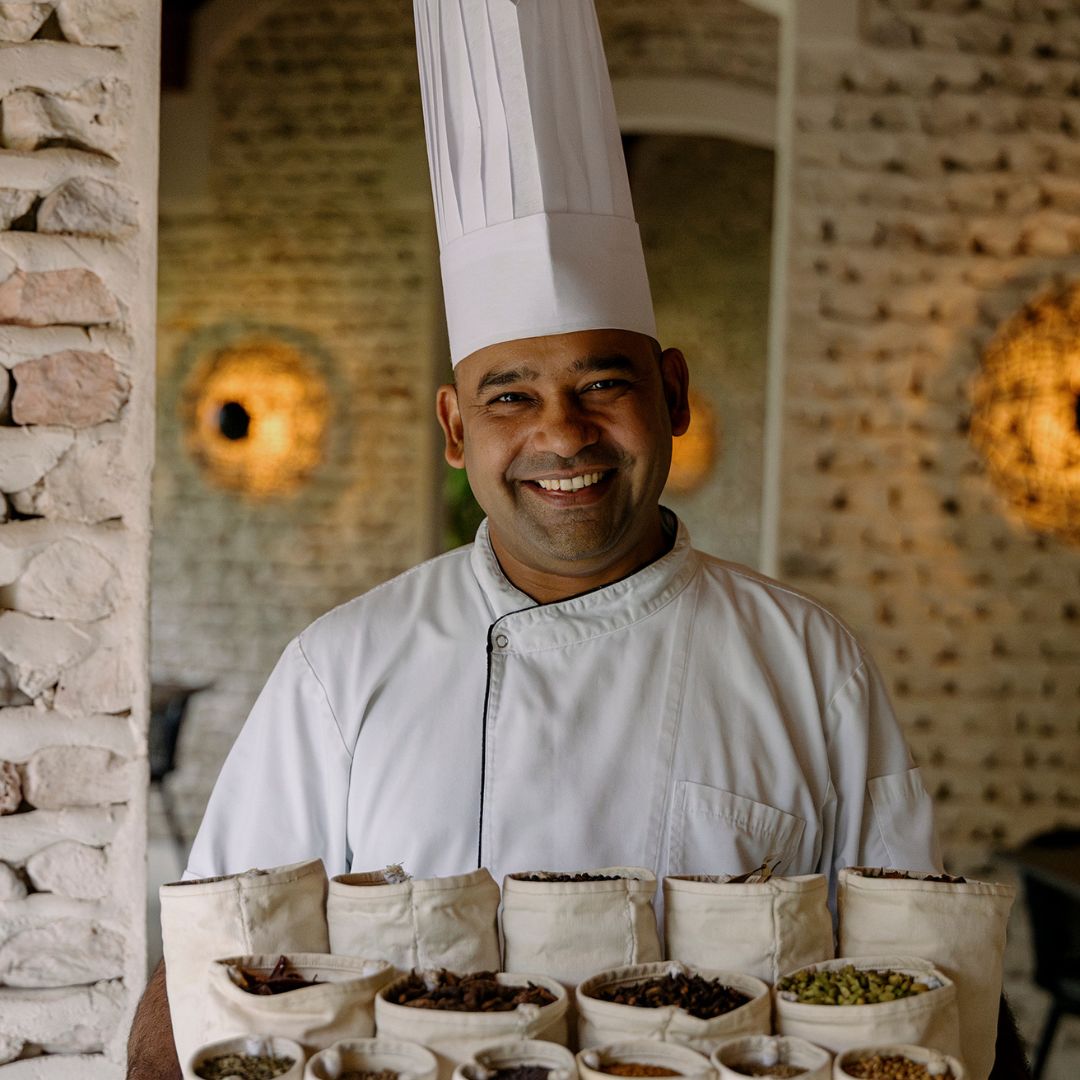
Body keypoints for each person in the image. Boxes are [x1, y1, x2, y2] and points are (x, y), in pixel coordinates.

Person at [128, 1, 944, 1075]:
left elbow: (923, 976)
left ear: (674, 394)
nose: (563, 432)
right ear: (457, 431)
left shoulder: (809, 665)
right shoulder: (341, 669)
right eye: (511, 395)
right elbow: (206, 975)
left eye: (603, 382)